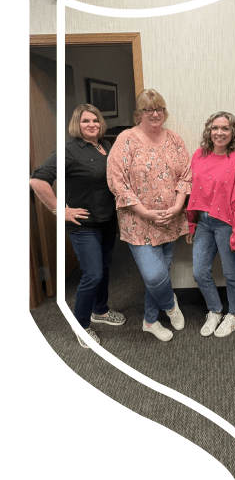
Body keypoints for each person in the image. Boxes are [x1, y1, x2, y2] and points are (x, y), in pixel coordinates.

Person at [29, 104, 126, 348]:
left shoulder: (106, 146)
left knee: (103, 268)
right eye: (85, 121)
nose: (92, 124)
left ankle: (100, 311)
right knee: (92, 274)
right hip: (84, 225)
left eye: (95, 120)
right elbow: (37, 180)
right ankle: (81, 326)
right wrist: (58, 210)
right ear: (77, 125)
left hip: (107, 220)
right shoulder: (68, 151)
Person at [107, 89, 192, 342]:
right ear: (139, 113)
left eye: (160, 109)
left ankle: (150, 321)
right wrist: (145, 211)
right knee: (155, 275)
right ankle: (171, 305)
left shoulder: (175, 139)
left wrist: (177, 207)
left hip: (169, 220)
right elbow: (116, 181)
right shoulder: (126, 139)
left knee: (157, 274)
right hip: (139, 222)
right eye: (149, 109)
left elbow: (186, 175)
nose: (155, 114)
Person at [185, 112, 235, 338]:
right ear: (209, 130)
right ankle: (215, 310)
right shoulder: (199, 155)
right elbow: (193, 192)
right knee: (199, 271)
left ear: (232, 132)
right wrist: (191, 224)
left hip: (227, 223)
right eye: (215, 128)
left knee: (231, 272)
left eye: (225, 128)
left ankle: (234, 314)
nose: (220, 132)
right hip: (204, 222)